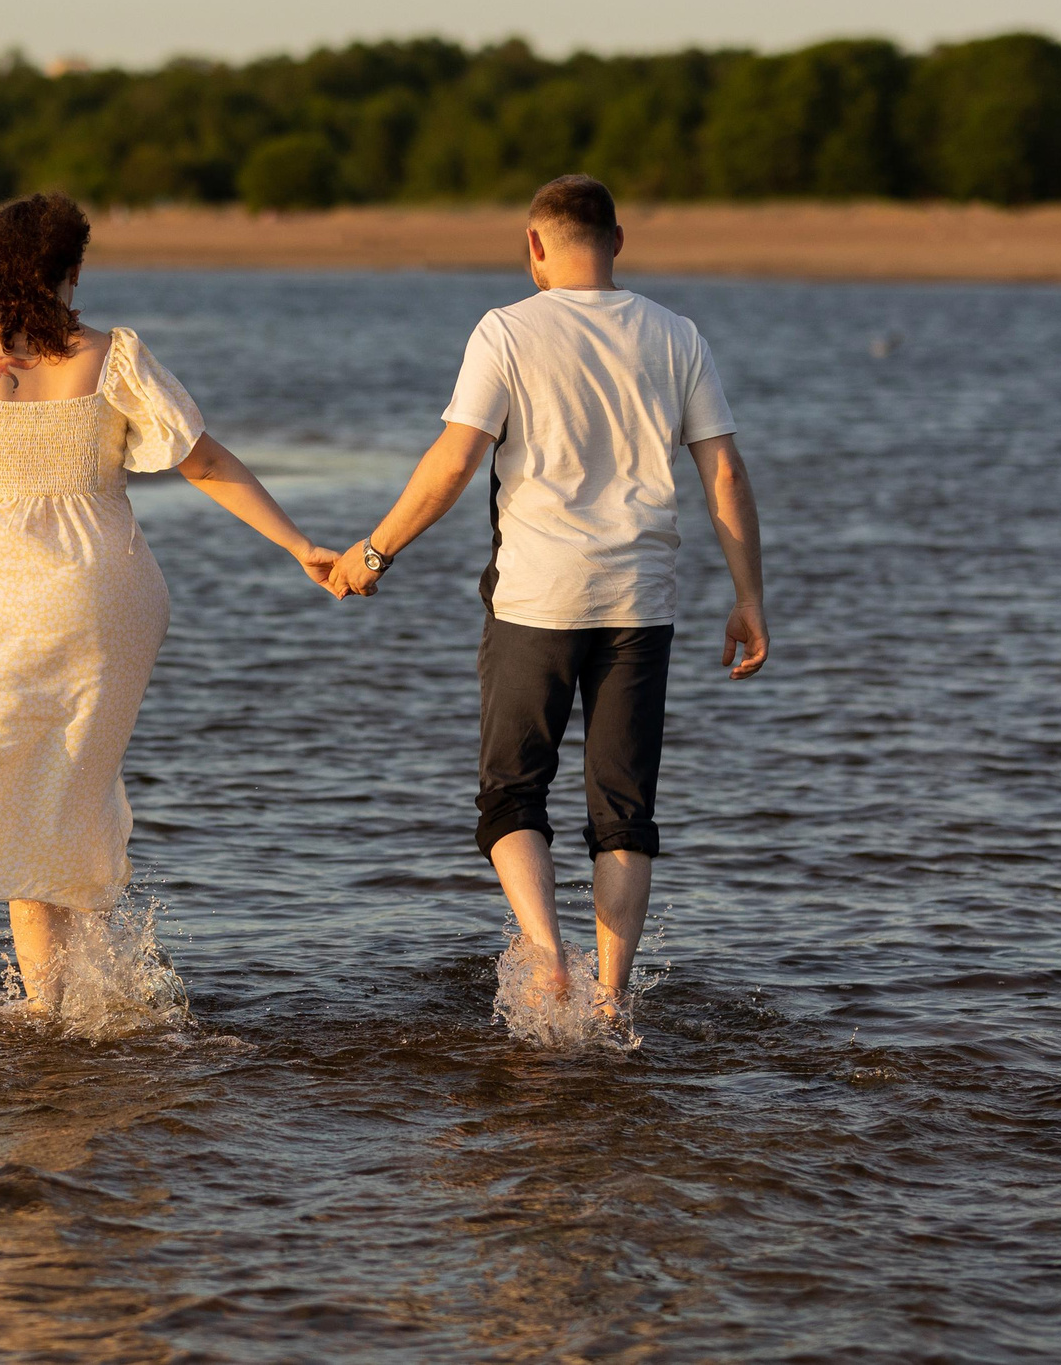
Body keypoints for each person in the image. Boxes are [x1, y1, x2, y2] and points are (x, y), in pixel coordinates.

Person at [0, 193, 337, 1011]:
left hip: (0, 591)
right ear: (72, 269)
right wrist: (300, 545)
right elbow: (202, 459)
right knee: (69, 791)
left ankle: (54, 1013)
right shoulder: (113, 355)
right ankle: (99, 1001)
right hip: (106, 593)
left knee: (10, 797)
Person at [328, 174, 768, 1022]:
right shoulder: (678, 336)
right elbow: (724, 469)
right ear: (619, 240)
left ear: (535, 245)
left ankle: (547, 954)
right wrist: (749, 596)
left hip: (535, 600)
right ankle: (609, 995)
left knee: (512, 795)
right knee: (624, 811)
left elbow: (455, 462)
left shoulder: (506, 331)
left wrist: (375, 550)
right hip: (643, 602)